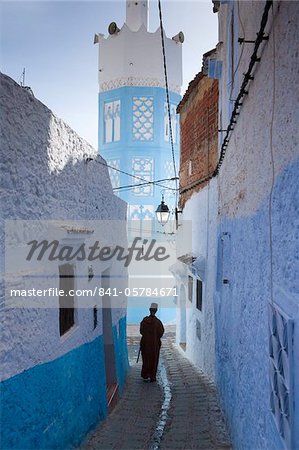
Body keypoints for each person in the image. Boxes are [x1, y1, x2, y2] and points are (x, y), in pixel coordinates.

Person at [139, 303, 164, 382]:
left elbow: (141, 331)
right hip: (154, 344)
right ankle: (152, 376)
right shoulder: (158, 322)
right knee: (154, 359)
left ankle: (145, 374)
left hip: (145, 344)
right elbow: (161, 332)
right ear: (156, 310)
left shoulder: (144, 321)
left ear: (149, 310)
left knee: (146, 359)